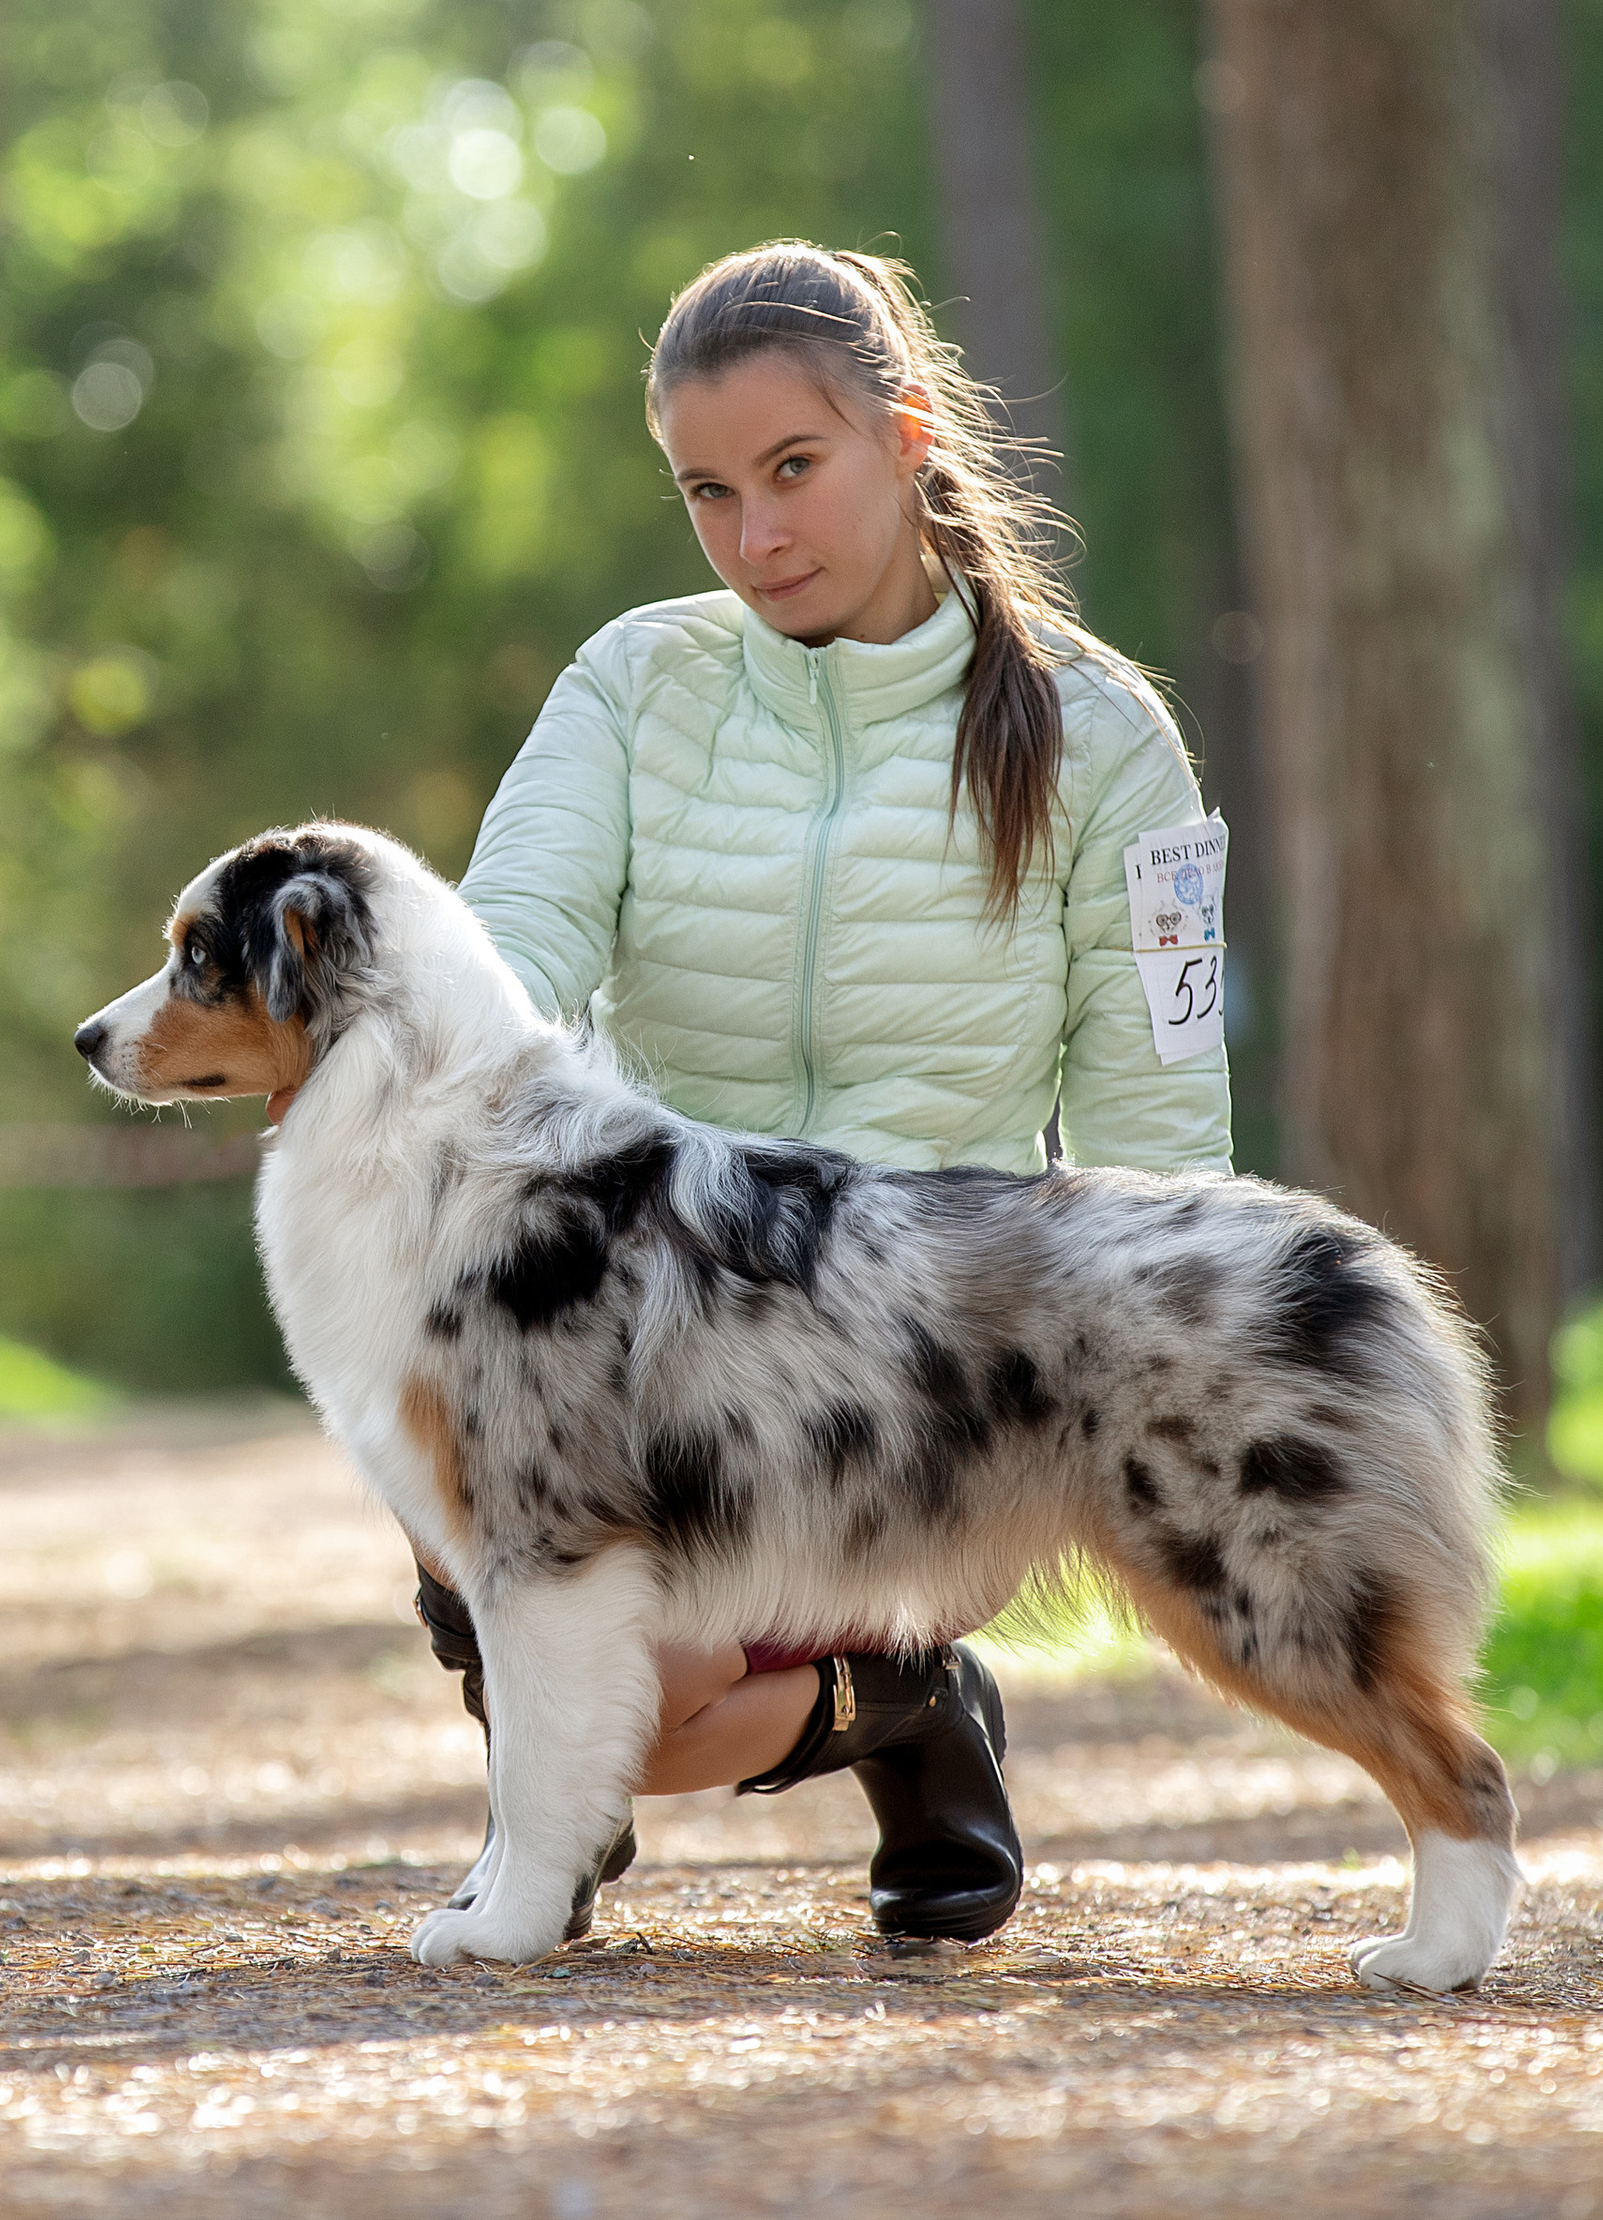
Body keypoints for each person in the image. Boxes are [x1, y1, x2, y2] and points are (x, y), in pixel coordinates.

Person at [419, 240, 1232, 1944]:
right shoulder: (637, 686)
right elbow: (502, 962)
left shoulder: (1105, 741)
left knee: (645, 1704)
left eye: (795, 469)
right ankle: (858, 1713)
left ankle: (916, 1688)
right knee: (576, 1635)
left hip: (931, 1366)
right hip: (664, 1314)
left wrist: (1149, 1412)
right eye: (707, 492)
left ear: (909, 432)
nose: (755, 535)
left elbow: (1165, 1133)